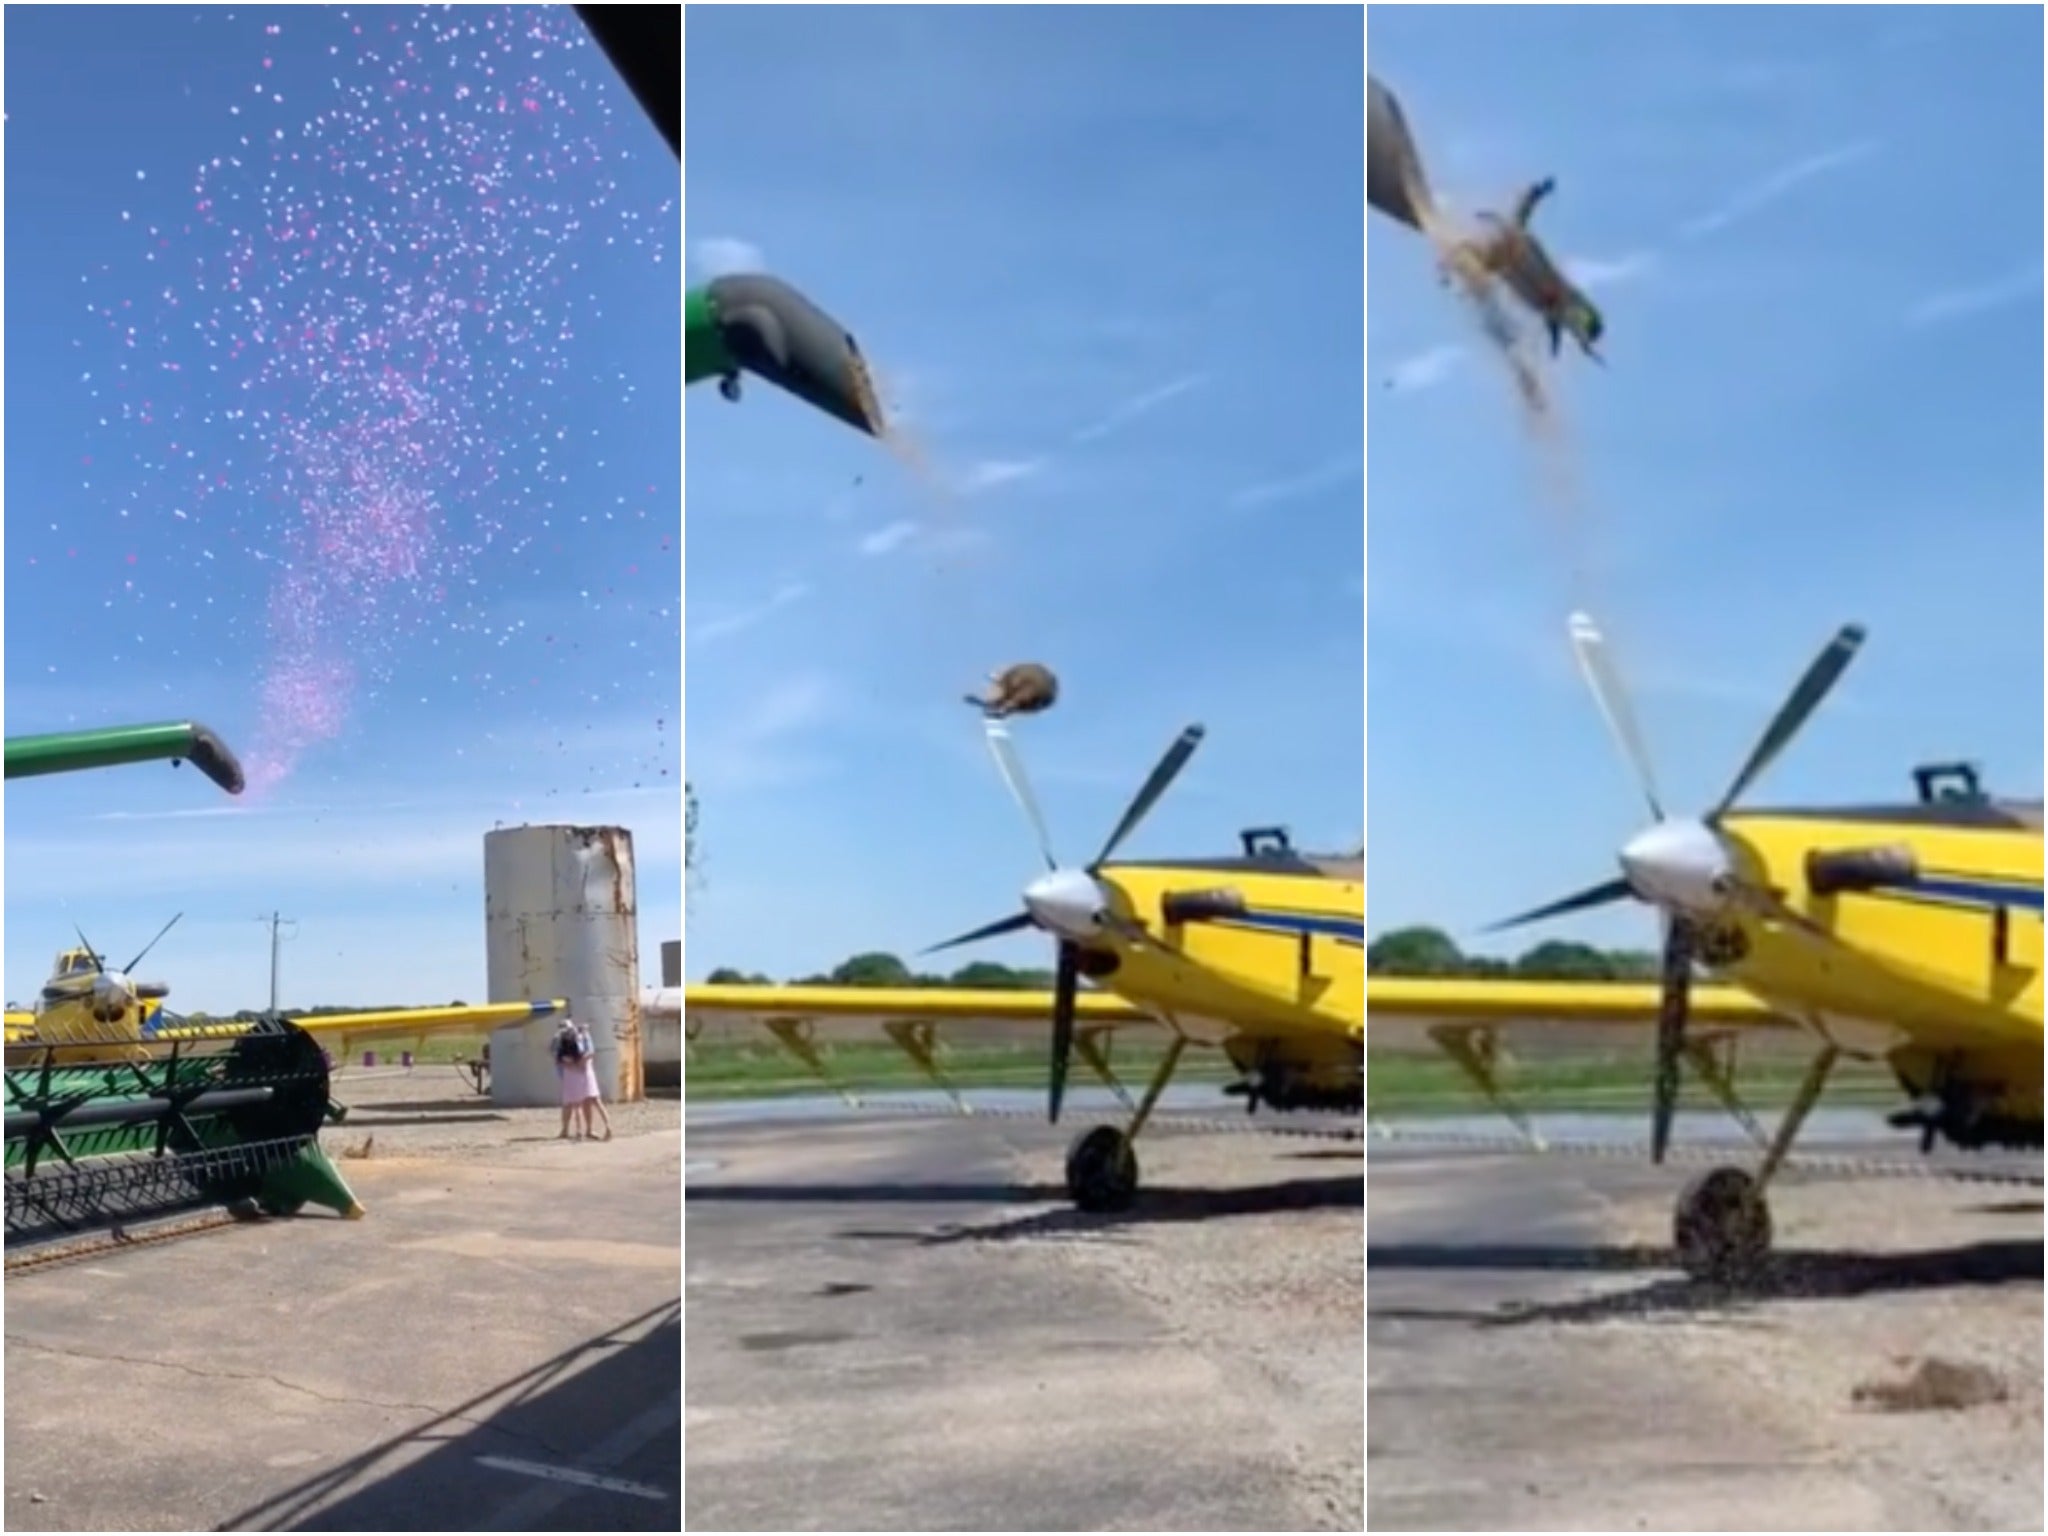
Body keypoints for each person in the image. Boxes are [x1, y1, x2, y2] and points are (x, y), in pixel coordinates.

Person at [554, 1017, 610, 1141]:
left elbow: (560, 1058)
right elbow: (588, 1053)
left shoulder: (566, 1039)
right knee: (589, 1102)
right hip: (581, 1072)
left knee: (574, 1103)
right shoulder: (577, 1038)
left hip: (573, 1073)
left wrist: (572, 1064)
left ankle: (577, 1131)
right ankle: (590, 1129)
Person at [965, 662, 1059, 719]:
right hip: (1042, 691)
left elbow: (1020, 697)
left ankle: (1000, 707)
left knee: (1009, 697)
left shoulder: (1012, 681)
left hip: (1038, 686)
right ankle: (1000, 707)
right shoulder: (1011, 680)